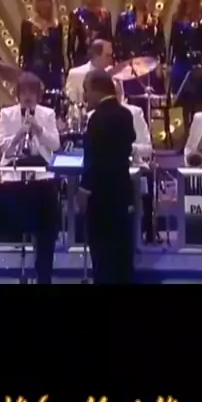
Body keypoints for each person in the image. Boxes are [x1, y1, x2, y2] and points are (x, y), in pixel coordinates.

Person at [0, 72, 61, 284]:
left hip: (41, 170)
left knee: (45, 214)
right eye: (24, 92)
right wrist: (19, 134)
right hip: (15, 168)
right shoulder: (7, 114)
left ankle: (43, 270)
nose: (27, 97)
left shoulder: (47, 114)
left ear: (38, 95)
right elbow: (2, 146)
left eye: (31, 92)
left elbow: (55, 145)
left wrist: (38, 130)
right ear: (17, 94)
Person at [78, 70, 136, 284]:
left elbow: (95, 158)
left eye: (86, 90)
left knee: (102, 254)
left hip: (101, 197)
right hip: (122, 191)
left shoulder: (97, 118)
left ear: (97, 90)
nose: (85, 96)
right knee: (121, 253)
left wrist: (84, 189)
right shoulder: (126, 114)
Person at [169, 0, 202, 141]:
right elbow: (173, 42)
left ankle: (199, 134)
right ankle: (187, 134)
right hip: (183, 62)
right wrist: (170, 63)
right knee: (185, 101)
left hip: (199, 61)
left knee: (199, 100)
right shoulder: (177, 16)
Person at [114, 79, 154, 242]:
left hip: (133, 165)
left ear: (122, 94)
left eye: (115, 93)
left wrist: (130, 148)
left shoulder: (134, 113)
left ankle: (144, 230)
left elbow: (148, 148)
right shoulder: (93, 114)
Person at [114, 0, 166, 99]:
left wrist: (160, 64)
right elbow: (117, 42)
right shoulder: (123, 18)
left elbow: (160, 43)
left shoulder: (155, 20)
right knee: (130, 98)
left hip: (149, 66)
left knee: (150, 98)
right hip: (129, 67)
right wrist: (118, 63)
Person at [18, 0, 65, 102]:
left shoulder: (57, 25)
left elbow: (59, 50)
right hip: (33, 68)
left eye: (46, 1)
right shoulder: (28, 24)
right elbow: (24, 48)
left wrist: (62, 71)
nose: (43, 5)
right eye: (40, 1)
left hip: (53, 70)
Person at [67, 0, 113, 68]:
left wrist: (110, 59)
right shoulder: (76, 14)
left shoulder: (105, 14)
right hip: (82, 58)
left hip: (101, 58)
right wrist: (72, 64)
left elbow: (109, 38)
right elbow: (71, 44)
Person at [65, 38, 113, 105]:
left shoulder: (114, 73)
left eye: (111, 55)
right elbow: (71, 102)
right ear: (97, 55)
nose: (111, 59)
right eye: (107, 56)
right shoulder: (76, 74)